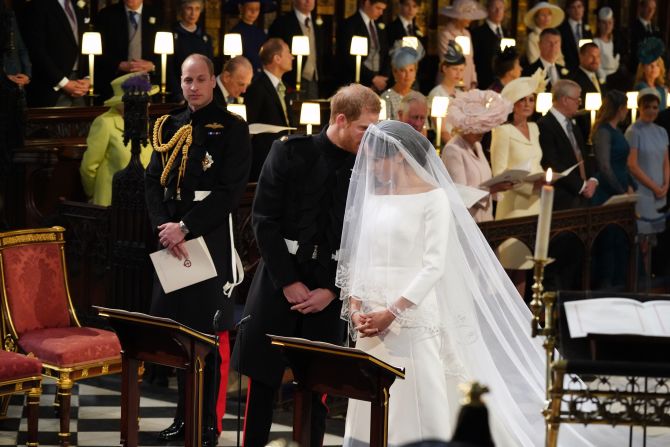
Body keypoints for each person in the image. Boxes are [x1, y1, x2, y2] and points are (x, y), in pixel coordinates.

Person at [336, 119, 639, 447]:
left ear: (397, 156)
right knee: (370, 398)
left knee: (417, 396)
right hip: (370, 317)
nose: (369, 167)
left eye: (375, 159)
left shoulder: (433, 198)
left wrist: (392, 312)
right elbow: (359, 256)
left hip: (411, 314)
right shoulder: (375, 197)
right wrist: (355, 308)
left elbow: (433, 265)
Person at [231, 83, 381, 447]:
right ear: (341, 120)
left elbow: (365, 236)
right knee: (263, 382)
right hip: (279, 279)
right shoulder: (288, 152)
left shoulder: (367, 170)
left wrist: (331, 290)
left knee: (317, 388)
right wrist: (287, 282)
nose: (371, 138)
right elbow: (263, 220)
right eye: (365, 128)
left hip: (327, 287)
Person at [145, 54, 251, 446]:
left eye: (201, 79)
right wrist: (165, 228)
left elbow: (230, 192)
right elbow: (152, 182)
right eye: (187, 80)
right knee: (177, 333)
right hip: (171, 238)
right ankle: (181, 416)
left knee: (206, 334)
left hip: (206, 236)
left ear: (212, 82)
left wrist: (186, 227)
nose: (193, 87)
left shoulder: (233, 128)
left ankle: (207, 422)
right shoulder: (167, 125)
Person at [538, 79, 597, 290]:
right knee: (559, 258)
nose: (579, 102)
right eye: (576, 98)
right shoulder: (545, 125)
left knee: (574, 257)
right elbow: (552, 162)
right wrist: (580, 185)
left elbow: (582, 155)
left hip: (578, 199)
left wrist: (591, 179)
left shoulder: (571, 123)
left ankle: (568, 304)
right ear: (563, 100)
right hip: (562, 199)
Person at [80, 73, 156, 206]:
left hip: (140, 203)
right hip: (111, 201)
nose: (148, 105)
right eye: (143, 101)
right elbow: (89, 167)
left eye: (147, 100)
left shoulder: (143, 122)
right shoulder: (105, 122)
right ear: (123, 103)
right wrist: (92, 194)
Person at [441, 89, 513, 222]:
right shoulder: (453, 150)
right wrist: (492, 189)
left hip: (485, 219)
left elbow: (483, 180)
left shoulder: (477, 146)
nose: (482, 131)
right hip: (467, 223)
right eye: (477, 126)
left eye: (484, 126)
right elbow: (460, 195)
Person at [590, 90, 632, 289]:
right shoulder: (603, 131)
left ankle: (619, 287)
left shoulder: (616, 131)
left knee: (620, 244)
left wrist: (630, 186)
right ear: (620, 109)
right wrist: (621, 192)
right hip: (607, 194)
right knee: (608, 243)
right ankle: (606, 289)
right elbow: (604, 166)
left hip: (621, 190)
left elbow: (624, 164)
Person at [491, 72, 546, 220]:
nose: (528, 104)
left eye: (531, 99)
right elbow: (499, 174)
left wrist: (545, 178)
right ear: (513, 104)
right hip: (513, 205)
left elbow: (536, 162)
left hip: (537, 201)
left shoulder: (534, 128)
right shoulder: (503, 131)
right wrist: (529, 187)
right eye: (522, 100)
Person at [626, 88, 669, 269]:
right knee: (642, 239)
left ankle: (651, 275)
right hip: (644, 192)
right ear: (640, 108)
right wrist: (654, 187)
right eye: (647, 107)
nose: (651, 111)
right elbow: (632, 165)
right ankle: (641, 279)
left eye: (654, 107)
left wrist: (666, 185)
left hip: (660, 191)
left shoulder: (661, 131)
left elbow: (666, 160)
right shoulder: (633, 131)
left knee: (656, 240)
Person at [21, 0, 89, 107]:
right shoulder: (37, 5)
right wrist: (64, 83)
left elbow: (85, 43)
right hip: (51, 87)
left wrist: (87, 77)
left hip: (79, 83)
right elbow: (36, 51)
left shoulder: (80, 5)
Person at [244, 38, 294, 181]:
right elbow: (250, 127)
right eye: (288, 53)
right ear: (277, 58)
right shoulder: (257, 88)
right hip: (266, 159)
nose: (292, 57)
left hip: (283, 154)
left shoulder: (282, 85)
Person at [94, 0, 161, 102]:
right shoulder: (107, 14)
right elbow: (97, 49)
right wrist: (118, 65)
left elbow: (167, 50)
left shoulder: (156, 13)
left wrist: (153, 65)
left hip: (148, 83)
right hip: (114, 82)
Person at [268, 0, 324, 99]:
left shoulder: (319, 23)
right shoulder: (282, 23)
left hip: (315, 81)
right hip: (289, 81)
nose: (308, 1)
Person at [337, 0, 389, 93]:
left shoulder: (378, 26)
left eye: (383, 9)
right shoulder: (349, 24)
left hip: (377, 83)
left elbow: (384, 52)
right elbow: (348, 58)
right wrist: (372, 78)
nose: (381, 13)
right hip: (356, 80)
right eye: (378, 8)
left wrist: (381, 78)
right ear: (367, 3)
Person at [168, 0, 213, 102]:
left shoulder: (205, 38)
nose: (193, 13)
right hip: (179, 94)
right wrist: (179, 95)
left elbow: (209, 69)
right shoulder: (172, 35)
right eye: (189, 8)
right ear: (181, 10)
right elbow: (169, 69)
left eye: (197, 9)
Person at [437, 0, 486, 90]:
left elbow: (470, 59)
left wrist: (473, 81)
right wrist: (458, 83)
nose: (470, 20)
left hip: (467, 83)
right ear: (459, 17)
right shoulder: (445, 34)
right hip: (450, 83)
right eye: (467, 16)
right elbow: (446, 61)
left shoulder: (467, 34)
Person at [428, 40, 465, 145]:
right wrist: (456, 149)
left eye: (461, 70)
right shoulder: (437, 93)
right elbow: (442, 130)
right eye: (455, 69)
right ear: (444, 68)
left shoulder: (461, 94)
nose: (458, 73)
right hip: (445, 144)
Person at [471, 0, 506, 91]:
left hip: (504, 83)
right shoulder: (478, 33)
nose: (498, 11)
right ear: (487, 10)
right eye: (495, 8)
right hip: (485, 83)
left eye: (501, 8)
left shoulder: (506, 32)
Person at [381, 46, 422, 120]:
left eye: (411, 70)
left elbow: (423, 129)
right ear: (395, 72)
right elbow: (385, 128)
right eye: (403, 70)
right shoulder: (386, 98)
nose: (408, 75)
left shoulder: (418, 98)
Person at [570, 42, 602, 139]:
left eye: (597, 56)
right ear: (581, 56)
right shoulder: (575, 80)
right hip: (585, 132)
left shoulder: (598, 78)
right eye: (591, 56)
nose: (595, 60)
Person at [523, 28, 569, 92]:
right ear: (539, 44)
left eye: (556, 43)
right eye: (549, 42)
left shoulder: (565, 71)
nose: (553, 46)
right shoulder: (529, 71)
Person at [231, 0, 267, 76]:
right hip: (244, 75)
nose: (253, 12)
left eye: (257, 9)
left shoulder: (260, 33)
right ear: (241, 8)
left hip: (260, 75)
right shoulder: (235, 33)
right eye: (250, 8)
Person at [523, 1, 564, 66]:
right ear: (536, 18)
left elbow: (560, 59)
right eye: (542, 14)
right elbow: (533, 60)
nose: (546, 17)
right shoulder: (532, 37)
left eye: (549, 14)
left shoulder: (554, 36)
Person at [592, 7, 623, 89]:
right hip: (603, 78)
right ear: (599, 24)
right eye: (604, 23)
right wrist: (604, 79)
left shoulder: (615, 41)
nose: (607, 26)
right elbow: (597, 64)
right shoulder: (596, 42)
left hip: (616, 78)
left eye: (610, 23)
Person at [634, 37, 668, 111]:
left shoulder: (662, 89)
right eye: (650, 65)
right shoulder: (641, 86)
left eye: (657, 65)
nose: (654, 68)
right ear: (643, 68)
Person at [557, 0, 592, 73]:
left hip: (585, 70)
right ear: (568, 10)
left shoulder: (587, 29)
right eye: (573, 7)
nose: (577, 10)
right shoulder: (561, 30)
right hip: (568, 70)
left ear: (583, 8)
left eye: (579, 7)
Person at [629, 0, 661, 70]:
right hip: (637, 69)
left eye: (653, 8)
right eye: (648, 7)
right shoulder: (633, 27)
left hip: (652, 69)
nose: (651, 11)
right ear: (641, 8)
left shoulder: (656, 30)